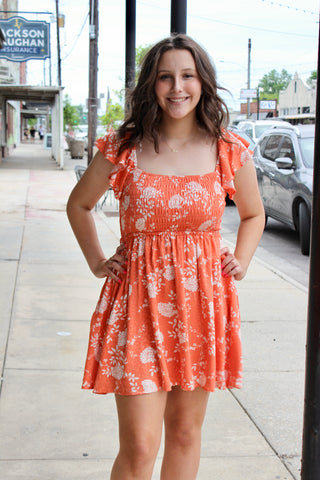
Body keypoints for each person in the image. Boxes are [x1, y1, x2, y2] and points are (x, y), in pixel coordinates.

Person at [67, 34, 265, 480]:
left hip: (202, 306)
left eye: (188, 75)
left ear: (203, 83)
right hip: (137, 304)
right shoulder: (124, 145)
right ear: (150, 85)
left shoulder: (228, 148)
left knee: (183, 434)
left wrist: (242, 259)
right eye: (165, 77)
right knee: (139, 446)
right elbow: (77, 205)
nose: (178, 87)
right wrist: (97, 261)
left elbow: (254, 214)